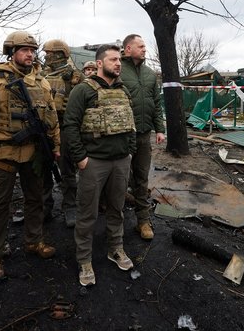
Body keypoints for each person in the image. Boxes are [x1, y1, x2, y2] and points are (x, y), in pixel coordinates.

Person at [0, 31, 60, 282]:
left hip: (34, 152)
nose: (30, 54)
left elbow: (52, 117)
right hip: (2, 151)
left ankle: (34, 241)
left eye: (32, 50)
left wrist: (56, 145)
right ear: (11, 52)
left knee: (35, 199)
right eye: (24, 50)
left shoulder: (42, 83)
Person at [63, 44, 137, 287]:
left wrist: (130, 151)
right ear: (99, 63)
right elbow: (70, 126)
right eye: (114, 59)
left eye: (120, 60)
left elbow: (130, 122)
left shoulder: (123, 89)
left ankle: (115, 248)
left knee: (117, 209)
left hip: (120, 161)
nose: (118, 63)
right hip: (94, 162)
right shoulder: (82, 90)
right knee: (88, 213)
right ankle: (84, 259)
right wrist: (81, 158)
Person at [120, 34, 166, 240]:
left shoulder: (149, 74)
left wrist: (160, 129)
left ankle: (143, 222)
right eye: (140, 46)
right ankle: (114, 222)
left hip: (143, 135)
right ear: (128, 48)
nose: (145, 49)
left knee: (141, 178)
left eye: (145, 46)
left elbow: (157, 104)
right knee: (118, 178)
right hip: (121, 136)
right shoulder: (118, 71)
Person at [41, 39, 83, 227]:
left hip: (65, 128)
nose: (45, 56)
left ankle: (70, 206)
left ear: (58, 54)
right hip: (44, 128)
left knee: (66, 169)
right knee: (42, 169)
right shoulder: (40, 75)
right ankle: (44, 206)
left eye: (48, 52)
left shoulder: (74, 76)